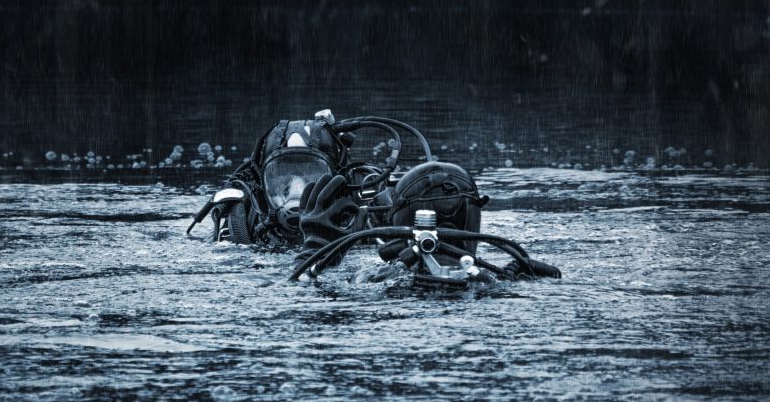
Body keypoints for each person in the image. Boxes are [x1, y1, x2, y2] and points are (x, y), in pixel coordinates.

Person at [188, 110, 560, 289]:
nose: (298, 195)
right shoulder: (240, 231)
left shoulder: (369, 233)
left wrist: (318, 250)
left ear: (341, 183)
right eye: (282, 180)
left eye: (312, 178)